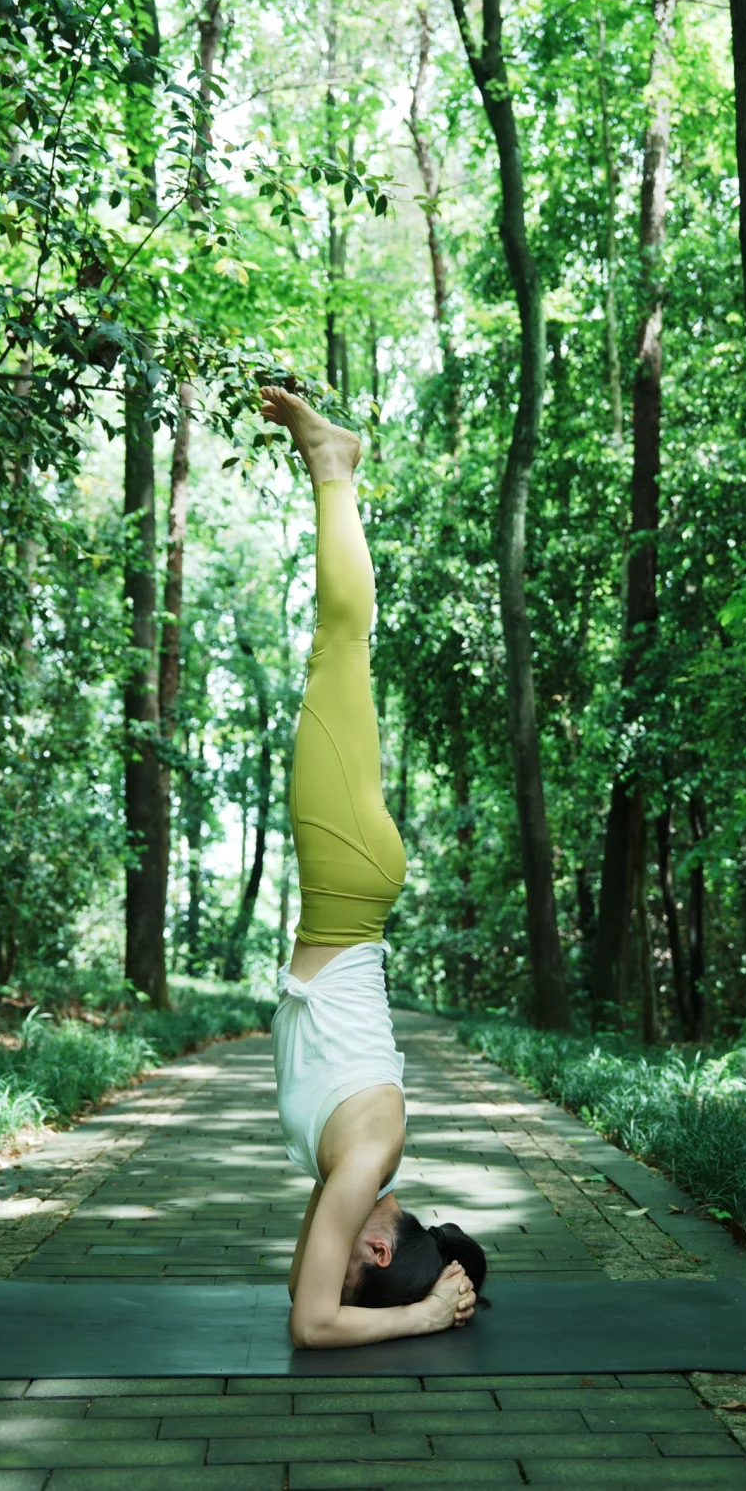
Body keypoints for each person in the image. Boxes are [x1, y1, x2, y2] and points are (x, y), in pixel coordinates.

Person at [261, 382, 488, 1350]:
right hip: (347, 886)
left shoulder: (357, 1174)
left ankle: (336, 471)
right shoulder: (365, 1162)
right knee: (339, 649)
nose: (322, 1248)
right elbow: (312, 1323)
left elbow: (306, 1295)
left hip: (348, 887)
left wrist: (450, 1286)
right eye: (349, 1255)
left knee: (338, 655)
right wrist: (432, 1314)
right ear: (379, 1250)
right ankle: (335, 468)